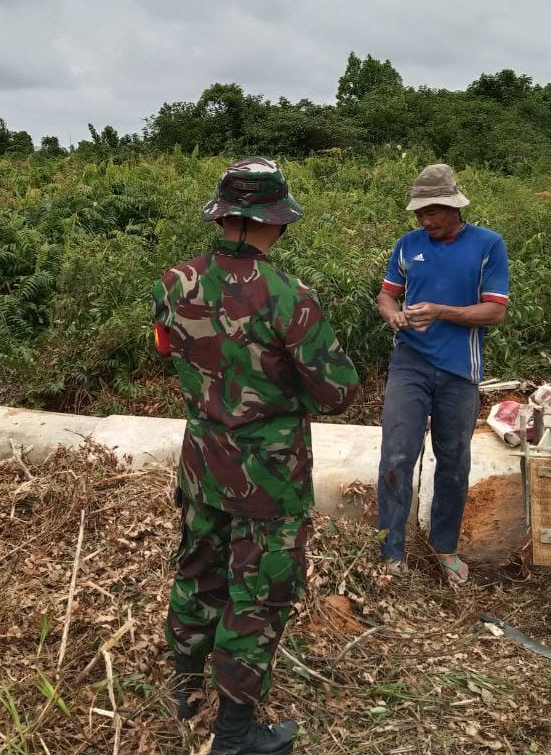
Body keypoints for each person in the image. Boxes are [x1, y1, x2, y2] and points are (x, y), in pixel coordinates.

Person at [153, 157, 359, 754]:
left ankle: (184, 690)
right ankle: (235, 737)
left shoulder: (176, 281)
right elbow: (338, 392)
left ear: (224, 217)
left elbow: (170, 348)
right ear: (276, 222)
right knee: (259, 597)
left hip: (201, 464)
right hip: (270, 481)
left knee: (197, 573)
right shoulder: (292, 298)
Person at [375, 163, 509, 584]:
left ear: (453, 206)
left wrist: (439, 311)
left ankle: (445, 547)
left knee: (453, 461)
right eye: (419, 213)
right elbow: (386, 295)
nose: (424, 220)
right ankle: (390, 553)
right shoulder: (407, 245)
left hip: (458, 371)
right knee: (397, 454)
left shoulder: (488, 245)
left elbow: (495, 311)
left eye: (432, 212)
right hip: (409, 363)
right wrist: (394, 315)